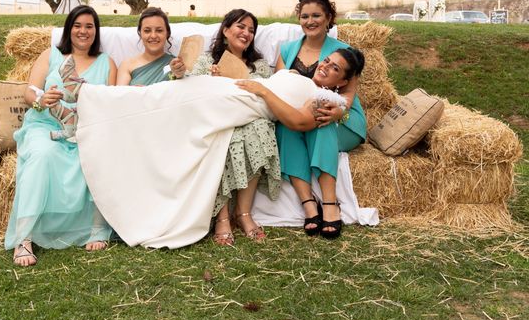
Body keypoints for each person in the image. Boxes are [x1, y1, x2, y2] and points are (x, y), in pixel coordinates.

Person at [73, 50, 359, 249]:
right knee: (166, 93)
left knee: (173, 104)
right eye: (327, 60)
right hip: (235, 88)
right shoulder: (297, 74)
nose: (325, 66)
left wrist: (263, 92)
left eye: (335, 69)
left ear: (343, 81)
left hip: (249, 102)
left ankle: (91, 103)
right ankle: (89, 98)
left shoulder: (322, 99)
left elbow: (297, 122)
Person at [5, 5, 117, 266]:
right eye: (78, 25)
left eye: (89, 26)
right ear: (69, 28)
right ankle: (24, 238)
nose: (83, 31)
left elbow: (112, 100)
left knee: (99, 156)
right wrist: (42, 99)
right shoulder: (51, 55)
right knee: (42, 155)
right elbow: (28, 92)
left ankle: (97, 228)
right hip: (44, 126)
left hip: (86, 129)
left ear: (96, 31)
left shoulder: (107, 63)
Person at [275, 0, 367, 239]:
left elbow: (348, 94)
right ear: (299, 18)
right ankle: (308, 204)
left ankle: (329, 204)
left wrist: (339, 112)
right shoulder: (287, 50)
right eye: (305, 16)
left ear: (328, 18)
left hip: (342, 119)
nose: (310, 21)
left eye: (317, 15)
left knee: (322, 119)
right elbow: (280, 85)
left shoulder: (344, 50)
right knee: (285, 125)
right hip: (301, 116)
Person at [189, 9, 278, 246]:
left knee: (260, 130)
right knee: (223, 138)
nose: (246, 33)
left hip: (249, 118)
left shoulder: (258, 65)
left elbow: (266, 97)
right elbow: (190, 91)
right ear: (226, 30)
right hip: (216, 120)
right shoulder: (207, 61)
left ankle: (243, 213)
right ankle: (222, 217)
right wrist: (211, 82)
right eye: (241, 26)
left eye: (251, 30)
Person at [117, 7, 186, 86]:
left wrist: (179, 75)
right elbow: (120, 95)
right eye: (147, 31)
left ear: (167, 33)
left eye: (159, 30)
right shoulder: (127, 65)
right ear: (140, 33)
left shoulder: (177, 64)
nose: (153, 36)